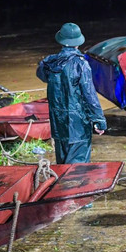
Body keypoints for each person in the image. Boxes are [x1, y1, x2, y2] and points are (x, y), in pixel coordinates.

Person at [36, 22, 107, 164]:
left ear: (61, 40)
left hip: (58, 124)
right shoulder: (80, 64)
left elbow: (41, 75)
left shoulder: (50, 62)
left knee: (62, 165)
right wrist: (99, 120)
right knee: (77, 171)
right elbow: (89, 94)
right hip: (78, 126)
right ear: (78, 42)